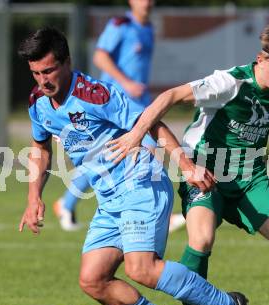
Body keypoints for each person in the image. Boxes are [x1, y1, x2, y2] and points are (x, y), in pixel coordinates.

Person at [106, 19, 269, 305]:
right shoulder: (229, 83)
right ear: (261, 60)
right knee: (201, 240)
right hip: (206, 174)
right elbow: (169, 97)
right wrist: (138, 133)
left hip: (250, 180)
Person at [18, 27, 248, 305]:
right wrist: (33, 196)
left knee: (142, 268)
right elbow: (41, 148)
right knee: (93, 279)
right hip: (109, 197)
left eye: (48, 71)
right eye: (35, 73)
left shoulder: (95, 95)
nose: (42, 80)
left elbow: (152, 123)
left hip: (140, 182)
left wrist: (187, 166)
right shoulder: (37, 102)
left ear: (66, 62)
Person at [51, 0, 192, 232]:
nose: (147, 2)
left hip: (138, 104)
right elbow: (100, 57)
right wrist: (126, 82)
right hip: (112, 106)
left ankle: (66, 203)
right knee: (136, 153)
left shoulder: (148, 28)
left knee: (117, 156)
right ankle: (159, 215)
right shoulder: (120, 25)